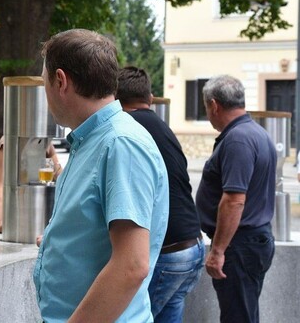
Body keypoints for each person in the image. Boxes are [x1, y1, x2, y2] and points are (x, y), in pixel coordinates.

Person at [33, 29, 169, 322]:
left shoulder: (121, 144)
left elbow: (132, 265)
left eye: (44, 83)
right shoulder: (93, 139)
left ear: (60, 81)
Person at [117, 66, 204, 322]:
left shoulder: (126, 127)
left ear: (115, 98)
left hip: (168, 253)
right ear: (151, 98)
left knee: (134, 316)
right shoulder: (162, 127)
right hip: (193, 246)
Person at [196, 75, 276, 323]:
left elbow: (234, 200)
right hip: (250, 242)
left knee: (237, 317)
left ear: (214, 105)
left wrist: (218, 250)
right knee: (243, 313)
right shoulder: (255, 133)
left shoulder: (238, 139)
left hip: (239, 246)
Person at [0, 135, 62, 233]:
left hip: (37, 217)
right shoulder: (8, 142)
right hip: (13, 214)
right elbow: (1, 185)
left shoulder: (44, 141)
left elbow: (59, 174)